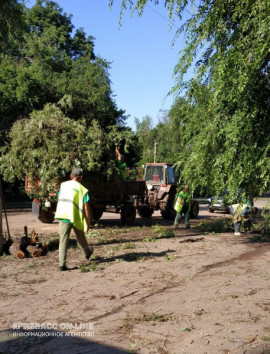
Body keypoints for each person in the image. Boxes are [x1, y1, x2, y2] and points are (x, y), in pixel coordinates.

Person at [55, 168, 93, 271]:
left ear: (71, 176)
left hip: (63, 215)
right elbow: (86, 207)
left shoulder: (63, 185)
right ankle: (87, 252)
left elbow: (60, 198)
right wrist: (88, 222)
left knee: (63, 240)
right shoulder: (82, 189)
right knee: (81, 238)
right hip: (75, 217)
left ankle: (61, 264)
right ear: (81, 177)